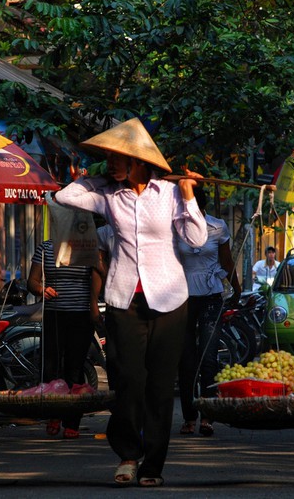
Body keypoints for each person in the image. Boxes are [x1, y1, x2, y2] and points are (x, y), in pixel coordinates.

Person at [54, 118, 207, 487]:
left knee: (158, 385)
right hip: (124, 300)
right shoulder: (107, 195)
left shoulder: (169, 194)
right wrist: (94, 177)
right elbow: (64, 197)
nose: (111, 162)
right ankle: (127, 454)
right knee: (128, 380)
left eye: (118, 157)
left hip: (169, 300)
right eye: (108, 157)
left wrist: (188, 196)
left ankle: (152, 465)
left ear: (141, 161)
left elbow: (197, 239)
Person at [177, 187, 241, 438]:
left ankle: (208, 415)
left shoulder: (217, 227)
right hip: (181, 298)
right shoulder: (175, 227)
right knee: (186, 360)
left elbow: (226, 262)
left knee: (209, 357)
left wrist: (236, 288)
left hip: (211, 297)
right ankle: (189, 417)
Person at [27, 238, 99, 439]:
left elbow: (98, 276)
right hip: (54, 315)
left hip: (82, 316)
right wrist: (42, 290)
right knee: (51, 367)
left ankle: (72, 421)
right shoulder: (45, 248)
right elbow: (32, 281)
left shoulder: (87, 246)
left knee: (74, 368)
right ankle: (54, 414)